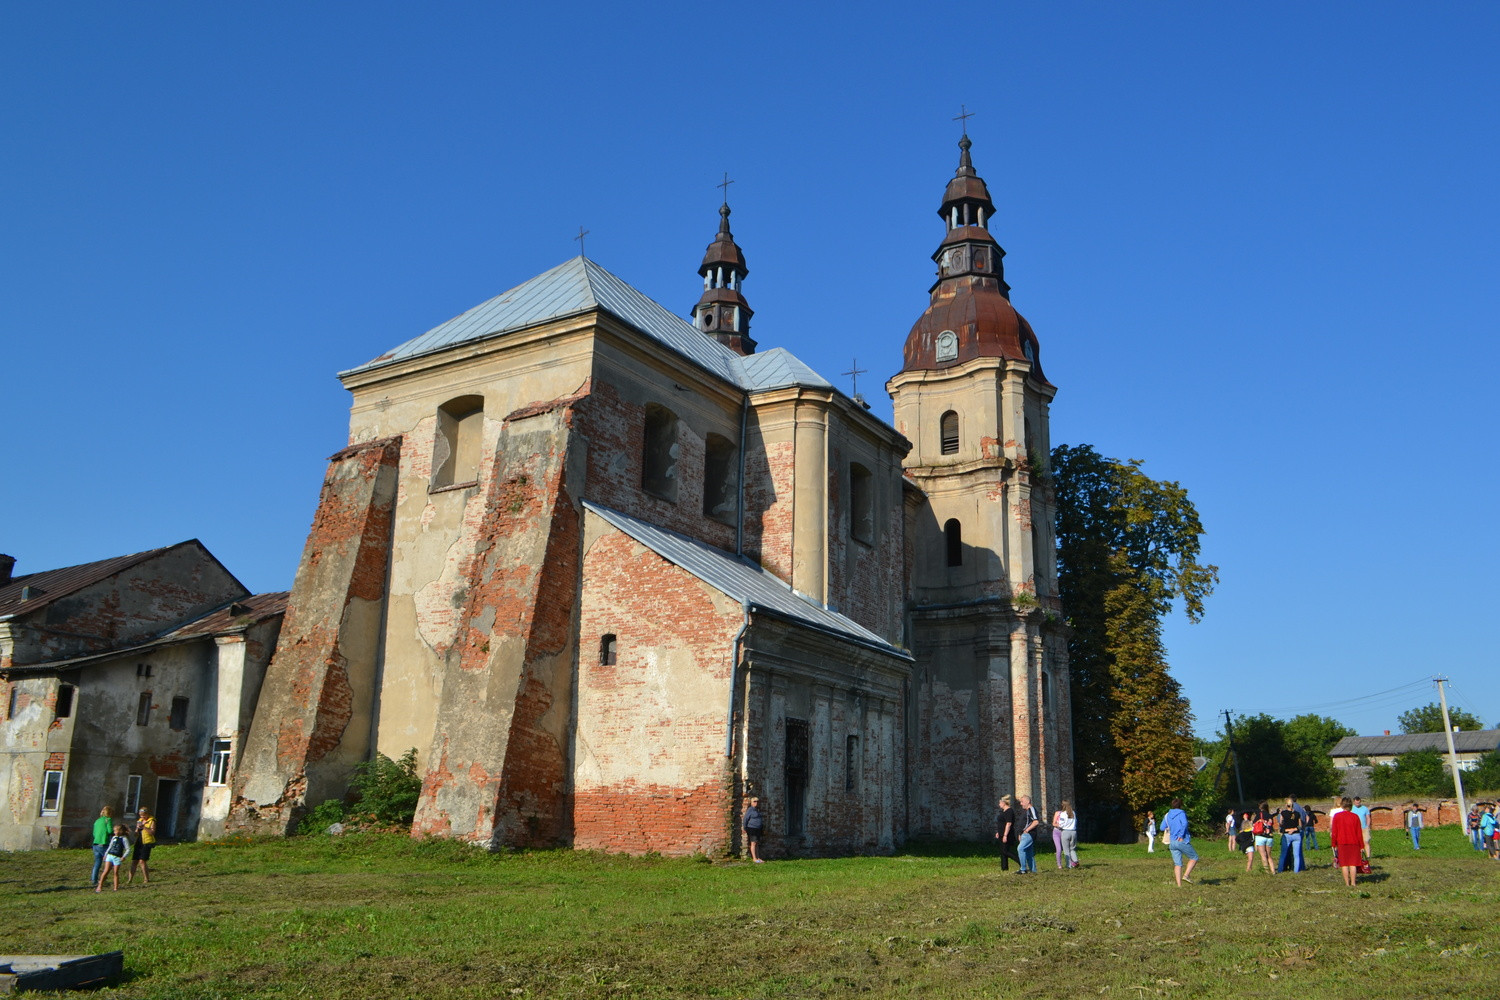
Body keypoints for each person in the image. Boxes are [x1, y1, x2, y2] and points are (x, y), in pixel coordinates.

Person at [1160, 797, 1198, 887]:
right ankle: (1186, 875)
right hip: (1181, 840)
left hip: (1172, 842)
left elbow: (1162, 827)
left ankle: (1179, 885)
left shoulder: (1168, 814)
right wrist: (1180, 835)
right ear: (1181, 805)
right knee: (1194, 857)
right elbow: (1184, 823)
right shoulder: (1181, 813)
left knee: (1178, 863)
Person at [1329, 796, 1365, 888]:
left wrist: (1333, 843)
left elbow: (1334, 832)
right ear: (1351, 806)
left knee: (1344, 864)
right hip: (1354, 842)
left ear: (1342, 805)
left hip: (1341, 842)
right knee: (1353, 864)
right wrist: (1361, 846)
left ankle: (1347, 884)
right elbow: (1359, 833)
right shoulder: (1355, 817)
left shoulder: (1337, 816)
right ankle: (1353, 883)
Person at [95, 824, 130, 892]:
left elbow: (128, 849)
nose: (114, 832)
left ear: (120, 831)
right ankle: (100, 886)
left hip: (117, 857)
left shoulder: (124, 839)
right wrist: (105, 854)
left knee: (115, 872)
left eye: (115, 831)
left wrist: (124, 856)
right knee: (106, 871)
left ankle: (115, 887)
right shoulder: (114, 838)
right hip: (110, 855)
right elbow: (110, 846)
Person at [126, 806, 156, 885]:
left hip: (147, 842)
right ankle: (130, 879)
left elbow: (152, 832)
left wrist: (144, 827)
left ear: (147, 814)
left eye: (144, 815)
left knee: (142, 861)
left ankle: (146, 879)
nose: (142, 817)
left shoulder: (151, 821)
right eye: (141, 815)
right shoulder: (139, 821)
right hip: (139, 841)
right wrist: (136, 830)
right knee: (134, 861)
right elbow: (136, 834)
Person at [90, 806, 115, 888]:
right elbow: (110, 831)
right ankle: (103, 879)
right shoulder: (108, 820)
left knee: (97, 863)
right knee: (108, 863)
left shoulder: (97, 821)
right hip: (104, 843)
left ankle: (94, 880)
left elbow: (94, 833)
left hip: (95, 843)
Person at [994, 795, 1020, 872]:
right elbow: (1001, 823)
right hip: (1001, 834)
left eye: (1000, 803)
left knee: (1006, 851)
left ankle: (1021, 862)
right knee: (1002, 851)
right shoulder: (1003, 812)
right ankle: (1004, 868)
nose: (999, 805)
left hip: (1007, 834)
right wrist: (998, 832)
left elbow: (1008, 823)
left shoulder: (1009, 811)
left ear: (1004, 803)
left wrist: (1005, 835)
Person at [1016, 795, 1041, 874]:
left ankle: (1023, 869)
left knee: (1020, 849)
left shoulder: (1031, 809)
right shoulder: (1026, 811)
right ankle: (1033, 870)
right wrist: (1020, 834)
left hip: (1029, 834)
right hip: (1024, 835)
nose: (1021, 804)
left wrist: (1027, 830)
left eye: (1022, 802)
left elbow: (1036, 821)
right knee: (1029, 852)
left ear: (1028, 802)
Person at [1277, 798, 1303, 873]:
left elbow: (1281, 823)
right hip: (1296, 835)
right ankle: (1296, 871)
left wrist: (1287, 829)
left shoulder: (1283, 813)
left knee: (1283, 854)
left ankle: (1280, 870)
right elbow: (1300, 825)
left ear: (1286, 805)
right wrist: (1294, 829)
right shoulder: (1297, 813)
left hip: (1287, 834)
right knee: (1296, 855)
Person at [1253, 801, 1276, 875]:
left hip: (1260, 836)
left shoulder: (1258, 815)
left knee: (1263, 856)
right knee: (1269, 856)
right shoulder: (1270, 815)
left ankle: (1267, 871)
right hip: (1269, 837)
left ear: (1260, 807)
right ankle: (1273, 871)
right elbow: (1271, 824)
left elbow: (1253, 824)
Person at [1055, 802, 1079, 869]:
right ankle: (1075, 860)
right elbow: (1076, 822)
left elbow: (1061, 824)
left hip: (1065, 832)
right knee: (1072, 849)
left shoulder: (1063, 814)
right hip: (1073, 832)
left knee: (1066, 850)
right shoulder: (1073, 813)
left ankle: (1068, 865)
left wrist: (1058, 825)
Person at [742, 796, 764, 863]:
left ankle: (758, 857)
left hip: (758, 828)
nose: (756, 803)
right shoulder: (750, 810)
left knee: (757, 843)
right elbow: (745, 819)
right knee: (753, 843)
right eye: (754, 801)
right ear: (751, 803)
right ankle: (754, 858)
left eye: (757, 801)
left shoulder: (757, 810)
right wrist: (744, 827)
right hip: (752, 828)